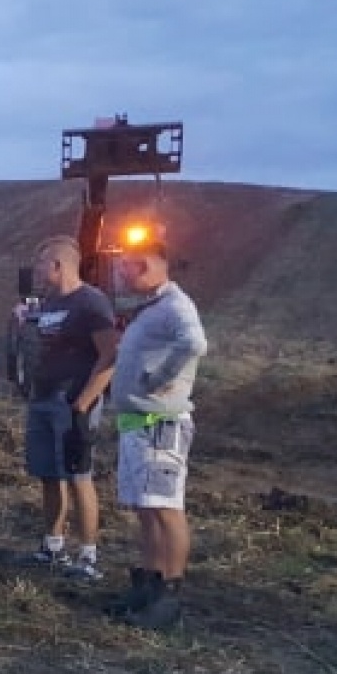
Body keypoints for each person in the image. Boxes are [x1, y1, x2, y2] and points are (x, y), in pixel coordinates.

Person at [106, 240, 207, 630]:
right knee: (146, 507)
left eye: (133, 265)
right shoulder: (152, 308)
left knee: (166, 507)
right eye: (125, 265)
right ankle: (148, 583)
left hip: (161, 424)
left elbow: (195, 343)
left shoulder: (177, 306)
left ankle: (170, 595)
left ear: (153, 265)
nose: (125, 273)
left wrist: (160, 379)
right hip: (137, 422)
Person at [24, 237, 119, 579]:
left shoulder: (91, 303)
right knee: (49, 474)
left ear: (58, 266)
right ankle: (53, 546)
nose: (36, 271)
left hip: (73, 401)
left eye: (41, 264)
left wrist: (84, 401)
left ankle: (88, 556)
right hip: (43, 399)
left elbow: (110, 354)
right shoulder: (50, 302)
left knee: (79, 476)